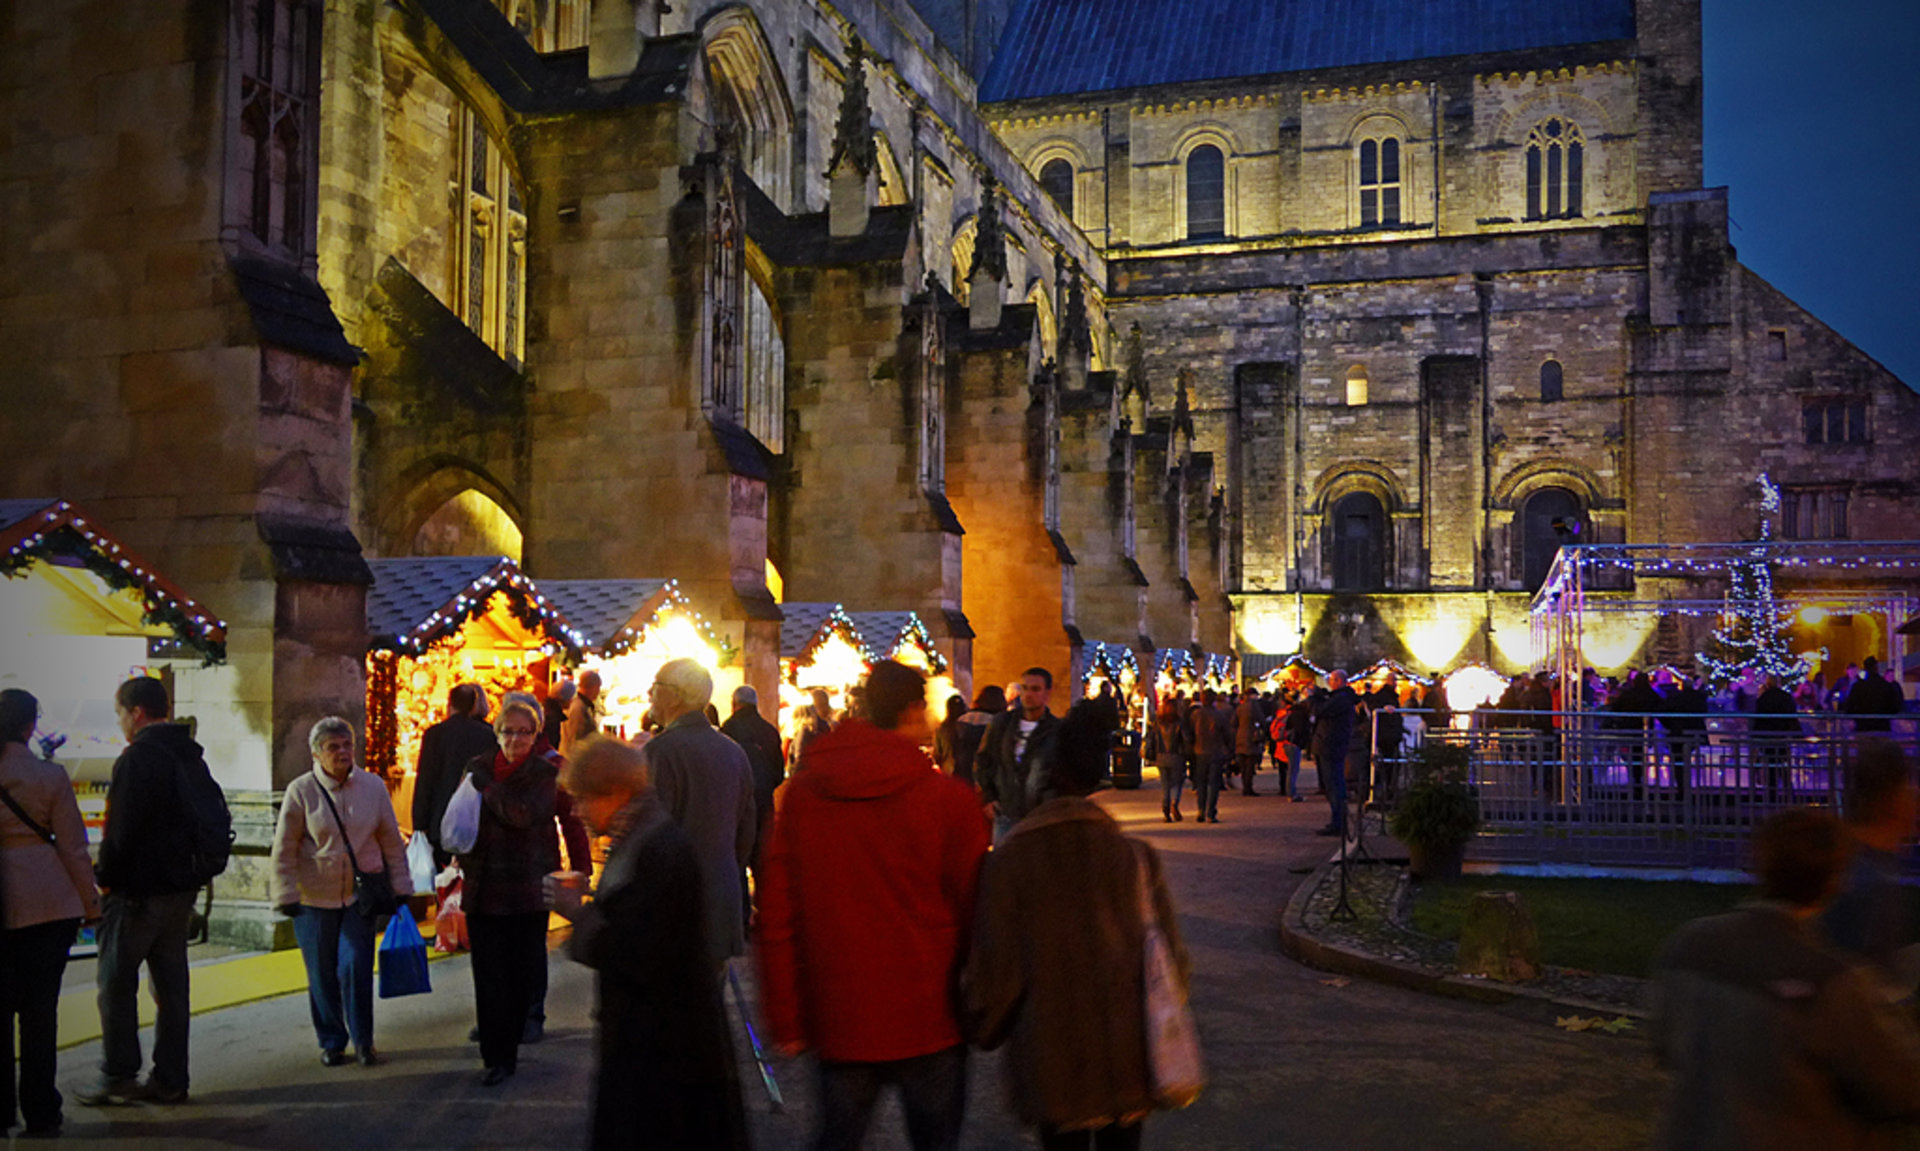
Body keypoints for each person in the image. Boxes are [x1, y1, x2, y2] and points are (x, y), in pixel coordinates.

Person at [757, 661, 990, 1151]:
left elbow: (778, 912)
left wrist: (786, 1014)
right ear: (909, 710)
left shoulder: (804, 793)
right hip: (931, 1012)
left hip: (841, 1010)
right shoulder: (948, 800)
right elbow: (976, 912)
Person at [965, 708, 1193, 1151]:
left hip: (1054, 1061)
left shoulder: (1011, 863)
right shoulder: (1135, 857)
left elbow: (1000, 972)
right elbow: (1173, 962)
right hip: (1127, 1060)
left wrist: (982, 1025)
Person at [1652, 807, 1920, 1149]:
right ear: (1835, 880)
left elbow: (1663, 1045)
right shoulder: (1831, 983)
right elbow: (1898, 1089)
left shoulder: (1686, 946)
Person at [550, 737, 749, 1151]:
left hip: (662, 1051)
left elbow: (638, 951)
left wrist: (578, 914)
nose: (578, 811)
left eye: (584, 799)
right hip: (661, 1043)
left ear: (615, 793)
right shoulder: (645, 840)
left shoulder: (657, 849)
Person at [79, 676, 212, 1107]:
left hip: (138, 892)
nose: (120, 722)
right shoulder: (190, 754)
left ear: (136, 713)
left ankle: (119, 1074)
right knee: (172, 988)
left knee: (116, 984)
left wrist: (105, 876)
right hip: (181, 889)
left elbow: (122, 831)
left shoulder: (138, 759)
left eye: (120, 713)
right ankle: (172, 1078)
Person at [271, 717, 413, 1067]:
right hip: (312, 897)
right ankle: (333, 1040)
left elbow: (391, 841)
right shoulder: (300, 791)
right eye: (333, 747)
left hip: (358, 895)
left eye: (347, 745)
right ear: (317, 754)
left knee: (356, 967)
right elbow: (285, 847)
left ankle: (364, 1040)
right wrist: (285, 892)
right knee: (321, 972)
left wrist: (401, 885)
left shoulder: (373, 787)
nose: (342, 753)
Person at [460, 697, 588, 1086]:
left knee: (522, 971)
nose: (515, 739)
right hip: (484, 883)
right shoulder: (478, 767)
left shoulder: (546, 773)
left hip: (529, 884)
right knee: (488, 973)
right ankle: (497, 1055)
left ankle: (514, 1033)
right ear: (496, 732)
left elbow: (527, 814)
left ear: (536, 736)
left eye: (524, 732)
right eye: (508, 731)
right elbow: (460, 818)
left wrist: (581, 870)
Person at [0, 689, 100, 1138]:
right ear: (29, 726)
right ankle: (41, 1110)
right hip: (46, 901)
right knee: (40, 1014)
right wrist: (89, 901)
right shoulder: (49, 776)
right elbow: (75, 848)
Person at [640, 658, 758, 969]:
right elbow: (747, 830)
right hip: (721, 898)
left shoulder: (659, 753)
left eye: (656, 686)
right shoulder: (733, 751)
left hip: (674, 908)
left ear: (677, 695)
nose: (649, 693)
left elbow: (648, 836)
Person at [1821, 740, 1920, 983]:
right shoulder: (1870, 881)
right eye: (1909, 785)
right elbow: (1863, 980)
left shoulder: (1858, 860)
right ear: (1890, 799)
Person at [413, 684, 499, 869]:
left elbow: (425, 780)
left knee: (442, 879)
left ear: (450, 704)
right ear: (473, 706)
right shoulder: (487, 735)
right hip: (475, 820)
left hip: (440, 817)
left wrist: (420, 823)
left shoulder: (435, 734)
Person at [976, 668, 1063, 844]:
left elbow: (1062, 771)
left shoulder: (1057, 730)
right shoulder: (1002, 723)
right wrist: (988, 797)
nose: (1028, 694)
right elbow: (984, 760)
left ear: (1048, 693)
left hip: (1040, 817)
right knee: (1004, 866)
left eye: (1035, 689)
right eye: (1025, 688)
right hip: (1006, 812)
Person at [720, 684, 784, 917]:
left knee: (738, 859)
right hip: (764, 802)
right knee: (762, 862)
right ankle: (768, 912)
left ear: (734, 704)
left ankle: (741, 916)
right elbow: (779, 771)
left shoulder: (729, 729)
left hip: (737, 804)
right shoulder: (769, 731)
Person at [1313, 672, 1358, 837]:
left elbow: (1321, 711)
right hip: (1331, 744)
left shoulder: (1341, 699)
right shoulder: (1342, 698)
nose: (1329, 683)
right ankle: (1337, 820)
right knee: (1333, 784)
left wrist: (1316, 699)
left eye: (1331, 680)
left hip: (1331, 745)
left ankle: (1338, 822)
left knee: (1334, 784)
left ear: (1339, 681)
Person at [949, 686, 1005, 788]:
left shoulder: (961, 720)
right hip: (987, 780)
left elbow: (953, 749)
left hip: (962, 776)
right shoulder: (998, 724)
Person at [1147, 694, 1190, 822]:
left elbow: (1151, 738)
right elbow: (1186, 739)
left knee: (1165, 784)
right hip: (1176, 755)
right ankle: (1174, 803)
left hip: (1161, 756)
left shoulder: (1158, 722)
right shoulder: (1179, 723)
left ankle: (1165, 809)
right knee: (1176, 783)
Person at [1189, 689, 1227, 823]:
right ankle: (1211, 811)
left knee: (1201, 782)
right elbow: (1226, 734)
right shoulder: (1219, 715)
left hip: (1199, 751)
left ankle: (1201, 809)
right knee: (1213, 783)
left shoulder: (1196, 715)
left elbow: (1190, 733)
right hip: (1215, 751)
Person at [1842, 656, 1906, 734]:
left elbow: (1849, 707)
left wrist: (1858, 715)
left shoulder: (1858, 687)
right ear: (1877, 667)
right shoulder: (1886, 686)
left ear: (1865, 668)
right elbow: (1896, 706)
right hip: (1882, 727)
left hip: (1863, 728)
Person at [562, 669, 603, 756]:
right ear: (593, 687)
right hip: (574, 761)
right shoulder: (578, 708)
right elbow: (575, 739)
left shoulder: (579, 705)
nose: (598, 692)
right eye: (598, 687)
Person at [930, 694, 968, 776]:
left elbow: (937, 755)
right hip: (968, 771)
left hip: (949, 772)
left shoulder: (942, 729)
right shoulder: (970, 726)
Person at [1233, 688, 1261, 796]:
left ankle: (1245, 785)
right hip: (1252, 737)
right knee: (1250, 765)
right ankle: (1248, 787)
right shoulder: (1255, 707)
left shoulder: (1240, 707)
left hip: (1240, 737)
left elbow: (1233, 722)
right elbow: (1261, 720)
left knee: (1243, 765)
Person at [542, 678, 575, 749]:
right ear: (564, 699)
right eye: (571, 697)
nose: (572, 701)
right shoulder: (553, 719)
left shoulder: (545, 710)